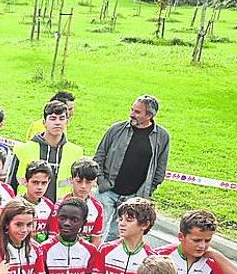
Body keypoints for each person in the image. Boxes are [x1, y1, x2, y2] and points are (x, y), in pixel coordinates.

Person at [93, 94, 171, 241]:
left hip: (133, 197)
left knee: (117, 236)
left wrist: (149, 189)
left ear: (149, 115)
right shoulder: (116, 129)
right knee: (97, 231)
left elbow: (160, 168)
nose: (131, 114)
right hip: (107, 191)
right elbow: (100, 155)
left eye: (137, 112)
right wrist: (101, 180)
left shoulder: (162, 137)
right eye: (132, 110)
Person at [89, 197, 156, 274]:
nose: (121, 224)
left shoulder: (151, 258)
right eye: (120, 219)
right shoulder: (105, 249)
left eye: (129, 220)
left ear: (145, 225)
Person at [14, 99, 83, 203]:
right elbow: (12, 183)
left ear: (67, 122)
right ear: (44, 122)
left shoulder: (76, 152)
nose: (57, 123)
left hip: (61, 208)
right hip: (27, 207)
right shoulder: (23, 149)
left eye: (61, 118)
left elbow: (78, 185)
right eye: (53, 118)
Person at [40, 197, 97, 274]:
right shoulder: (44, 248)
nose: (67, 223)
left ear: (84, 223)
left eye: (74, 220)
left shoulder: (90, 250)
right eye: (62, 218)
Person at [64, 159, 106, 244]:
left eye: (88, 182)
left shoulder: (97, 207)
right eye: (79, 181)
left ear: (94, 182)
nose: (83, 186)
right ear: (71, 180)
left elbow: (96, 239)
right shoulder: (61, 205)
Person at [20, 161, 57, 244]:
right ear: (25, 182)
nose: (39, 187)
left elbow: (52, 234)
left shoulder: (50, 206)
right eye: (35, 182)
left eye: (44, 183)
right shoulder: (15, 205)